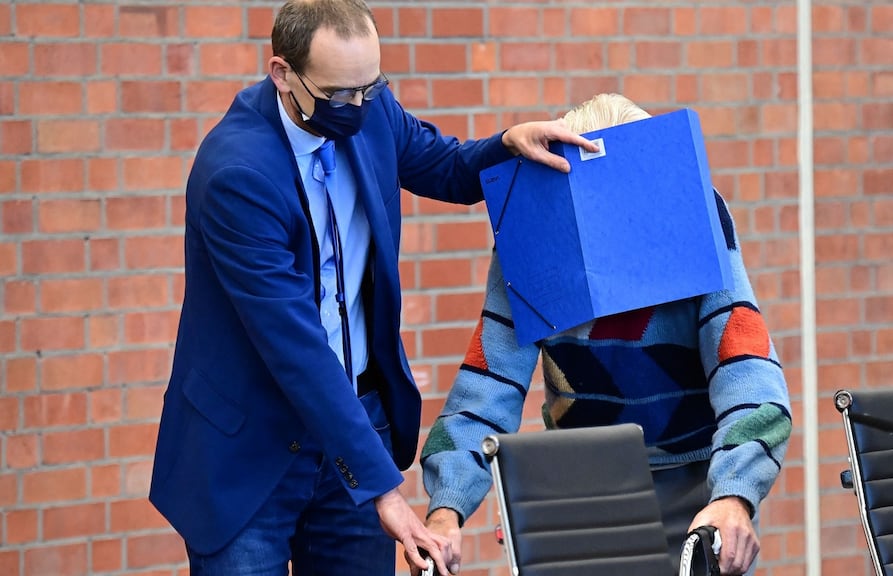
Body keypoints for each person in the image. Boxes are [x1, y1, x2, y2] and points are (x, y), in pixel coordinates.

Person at [148, 1, 597, 574]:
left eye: (371, 86)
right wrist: (385, 491)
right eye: (340, 94)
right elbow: (294, 344)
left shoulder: (368, 108)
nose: (359, 107)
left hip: (356, 421)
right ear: (282, 73)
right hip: (248, 448)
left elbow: (446, 167)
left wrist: (508, 142)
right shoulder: (237, 173)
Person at [420, 93, 792, 576]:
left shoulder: (692, 213)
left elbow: (747, 371)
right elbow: (488, 384)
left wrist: (735, 495)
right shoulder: (534, 230)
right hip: (580, 489)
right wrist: (446, 508)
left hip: (697, 491)